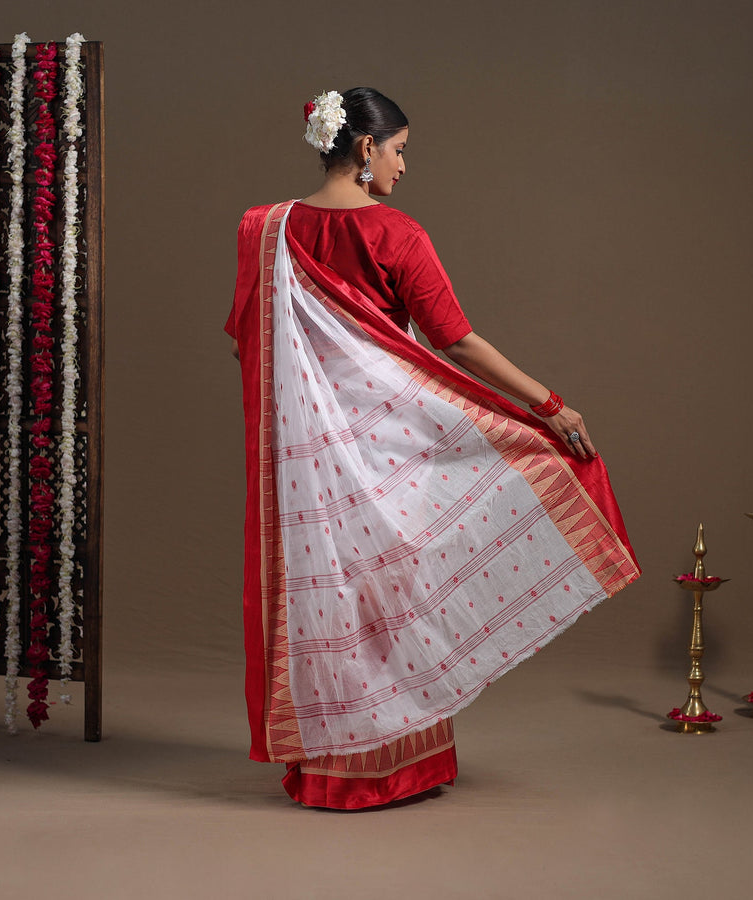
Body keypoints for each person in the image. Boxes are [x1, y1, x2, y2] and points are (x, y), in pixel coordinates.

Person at [225, 88, 640, 810]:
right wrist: (548, 405)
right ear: (365, 148)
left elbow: (248, 343)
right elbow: (456, 340)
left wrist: (320, 403)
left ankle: (332, 770)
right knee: (394, 601)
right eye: (399, 149)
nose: (402, 165)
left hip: (308, 457)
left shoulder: (265, 230)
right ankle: (397, 766)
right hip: (395, 450)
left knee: (334, 597)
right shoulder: (397, 232)